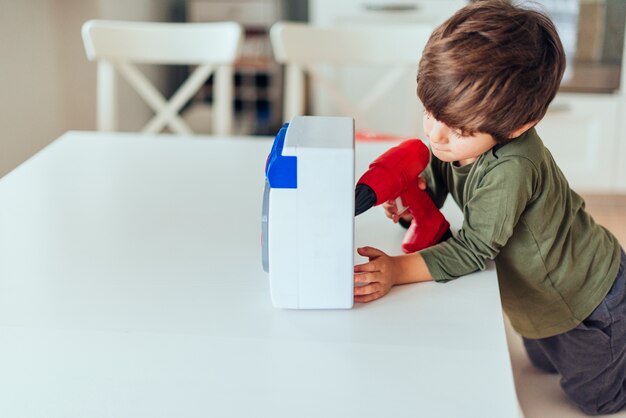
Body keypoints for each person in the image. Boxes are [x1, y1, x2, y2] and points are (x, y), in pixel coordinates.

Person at [353, 1, 626, 415]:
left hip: (588, 299)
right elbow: (443, 174)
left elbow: (475, 248)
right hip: (537, 297)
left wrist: (397, 270)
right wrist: (418, 198)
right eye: (430, 113)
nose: (436, 136)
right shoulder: (461, 134)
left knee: (597, 401)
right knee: (539, 362)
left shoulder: (512, 167)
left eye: (458, 130)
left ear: (518, 126)